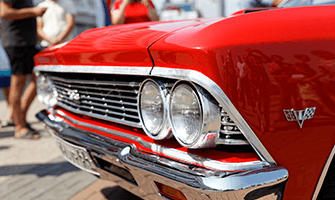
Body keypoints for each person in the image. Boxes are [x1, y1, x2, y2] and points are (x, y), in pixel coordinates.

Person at [0, 0, 46, 139]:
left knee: (37, 79)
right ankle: (19, 127)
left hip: (27, 43)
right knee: (17, 82)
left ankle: (20, 118)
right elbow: (4, 12)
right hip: (16, 43)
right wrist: (33, 12)